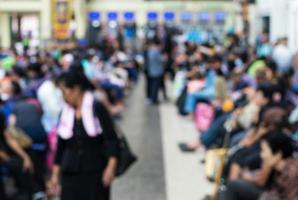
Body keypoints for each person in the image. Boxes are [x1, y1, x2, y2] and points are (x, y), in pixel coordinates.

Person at [48, 70, 119, 200]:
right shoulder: (64, 113)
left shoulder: (96, 108)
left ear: (76, 89)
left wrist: (111, 167)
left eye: (64, 91)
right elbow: (61, 146)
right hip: (70, 171)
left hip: (95, 170)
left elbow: (111, 139)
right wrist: (55, 174)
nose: (63, 96)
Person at [226, 131, 296, 200]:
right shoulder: (278, 169)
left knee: (233, 186)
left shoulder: (293, 172)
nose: (262, 155)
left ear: (278, 154)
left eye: (264, 151)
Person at [146, 39, 165, 104]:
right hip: (157, 71)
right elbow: (161, 60)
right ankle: (154, 99)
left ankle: (152, 98)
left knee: (152, 86)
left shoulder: (150, 51)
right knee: (155, 87)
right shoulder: (157, 51)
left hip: (151, 70)